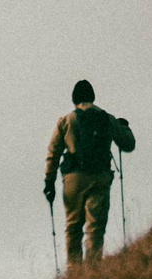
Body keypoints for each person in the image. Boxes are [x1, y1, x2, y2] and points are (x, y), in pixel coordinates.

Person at [45, 80, 136, 264]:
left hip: (73, 180)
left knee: (73, 227)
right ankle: (93, 270)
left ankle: (74, 273)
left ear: (74, 99)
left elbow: (53, 153)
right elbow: (128, 144)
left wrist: (49, 182)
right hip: (100, 177)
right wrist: (124, 127)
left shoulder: (66, 121)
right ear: (92, 97)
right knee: (95, 227)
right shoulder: (106, 118)